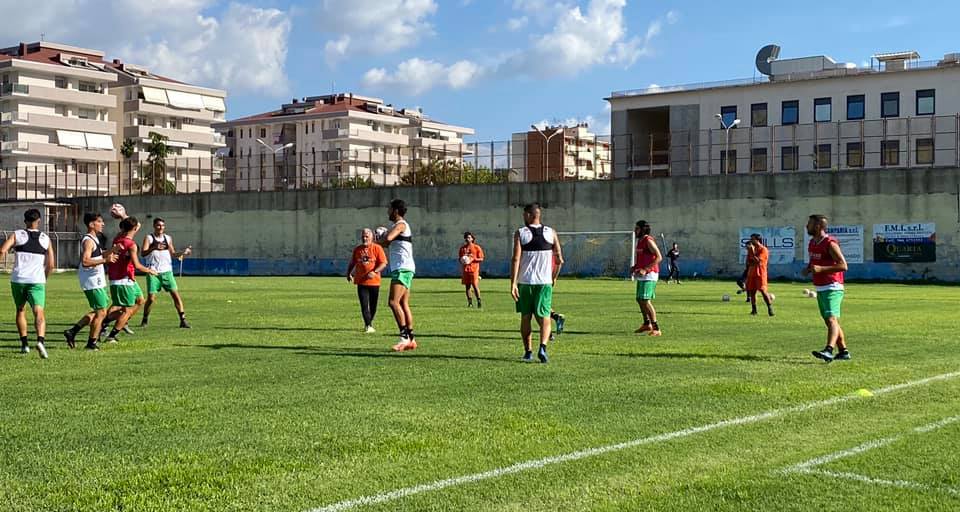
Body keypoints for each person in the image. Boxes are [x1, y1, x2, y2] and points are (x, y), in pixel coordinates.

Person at [510, 203, 563, 363]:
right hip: (544, 282)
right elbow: (559, 259)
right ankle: (543, 347)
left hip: (525, 282)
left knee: (526, 317)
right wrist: (554, 277)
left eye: (524, 214)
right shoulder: (551, 232)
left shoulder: (520, 233)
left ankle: (528, 352)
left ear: (529, 215)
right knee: (545, 316)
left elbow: (516, 259)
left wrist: (513, 283)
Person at [0, 209, 55, 358]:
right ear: (39, 221)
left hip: (18, 279)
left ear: (25, 221)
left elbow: (2, 250)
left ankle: (24, 344)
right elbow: (51, 264)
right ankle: (40, 341)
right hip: (37, 280)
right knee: (39, 312)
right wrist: (44, 278)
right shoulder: (45, 238)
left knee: (20, 310)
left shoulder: (17, 234)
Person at [64, 213, 118, 350]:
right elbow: (85, 261)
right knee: (101, 312)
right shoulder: (88, 241)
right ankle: (91, 343)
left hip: (97, 279)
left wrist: (112, 250)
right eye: (99, 221)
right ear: (91, 224)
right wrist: (105, 260)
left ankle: (72, 331)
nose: (103, 224)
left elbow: (98, 255)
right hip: (92, 281)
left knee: (100, 311)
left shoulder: (95, 239)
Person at [802, 214, 850, 363]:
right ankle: (843, 351)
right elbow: (815, 261)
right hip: (820, 286)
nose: (807, 226)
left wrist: (821, 269)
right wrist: (808, 269)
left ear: (818, 226)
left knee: (831, 319)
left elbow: (843, 265)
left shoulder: (830, 243)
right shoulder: (812, 243)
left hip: (833, 286)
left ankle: (829, 350)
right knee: (830, 320)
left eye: (809, 224)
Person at [103, 217, 157, 343]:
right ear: (135, 228)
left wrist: (123, 216)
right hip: (124, 279)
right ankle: (110, 333)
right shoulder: (131, 244)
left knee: (139, 300)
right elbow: (137, 265)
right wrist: (150, 270)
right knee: (126, 311)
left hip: (122, 278)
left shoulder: (117, 239)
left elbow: (133, 226)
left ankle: (104, 323)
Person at [379, 199, 417, 352]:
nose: (387, 211)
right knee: (403, 303)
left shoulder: (401, 224)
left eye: (389, 209)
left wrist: (378, 239)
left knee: (393, 302)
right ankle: (411, 339)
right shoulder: (398, 226)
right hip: (405, 268)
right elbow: (387, 242)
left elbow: (388, 239)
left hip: (402, 268)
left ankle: (404, 338)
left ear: (395, 210)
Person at [139, 218, 192, 328]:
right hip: (153, 272)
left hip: (167, 272)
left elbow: (173, 254)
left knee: (176, 295)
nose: (161, 227)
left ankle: (183, 320)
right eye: (158, 225)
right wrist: (154, 247)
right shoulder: (149, 238)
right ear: (154, 226)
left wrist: (183, 252)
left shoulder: (168, 238)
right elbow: (143, 253)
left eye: (162, 225)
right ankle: (145, 319)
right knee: (151, 298)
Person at [347, 228, 388, 333]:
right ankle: (368, 325)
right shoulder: (358, 249)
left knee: (373, 306)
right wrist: (349, 273)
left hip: (374, 282)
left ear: (372, 237)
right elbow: (353, 262)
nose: (364, 238)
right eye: (363, 237)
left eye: (366, 236)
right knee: (364, 305)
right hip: (361, 282)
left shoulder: (377, 248)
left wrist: (374, 272)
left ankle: (370, 321)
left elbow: (383, 263)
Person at [631, 220, 663, 336]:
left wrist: (646, 269)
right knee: (639, 299)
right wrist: (635, 267)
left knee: (645, 300)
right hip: (642, 275)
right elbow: (644, 258)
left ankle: (656, 328)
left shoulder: (648, 240)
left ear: (643, 229)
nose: (635, 230)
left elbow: (659, 257)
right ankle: (646, 324)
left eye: (637, 228)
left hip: (650, 275)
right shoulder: (639, 241)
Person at [745, 234, 774, 316]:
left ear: (758, 240)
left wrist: (751, 253)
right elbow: (748, 262)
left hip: (760, 274)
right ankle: (754, 310)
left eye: (752, 239)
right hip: (751, 273)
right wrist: (751, 255)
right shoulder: (751, 249)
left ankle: (770, 308)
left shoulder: (763, 249)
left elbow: (758, 261)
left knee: (763, 291)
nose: (751, 241)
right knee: (752, 292)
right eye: (751, 239)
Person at [459, 232, 485, 308]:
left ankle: (479, 301)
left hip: (474, 270)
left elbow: (481, 258)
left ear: (472, 239)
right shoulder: (462, 248)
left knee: (475, 285)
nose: (467, 239)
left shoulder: (477, 247)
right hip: (465, 270)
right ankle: (470, 303)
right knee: (467, 286)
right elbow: (460, 259)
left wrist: (473, 259)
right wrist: (463, 260)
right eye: (466, 238)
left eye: (469, 237)